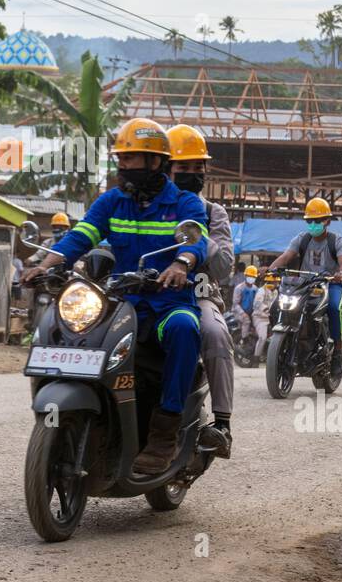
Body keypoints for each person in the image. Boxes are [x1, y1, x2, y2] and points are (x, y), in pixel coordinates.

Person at [23, 117, 208, 476]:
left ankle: (164, 431)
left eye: (131, 159)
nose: (123, 166)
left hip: (167, 302)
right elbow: (81, 237)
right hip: (120, 302)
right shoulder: (111, 202)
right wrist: (46, 264)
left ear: (156, 162)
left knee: (185, 330)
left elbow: (196, 239)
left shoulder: (184, 203)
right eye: (120, 159)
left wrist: (182, 264)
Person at [166, 124, 235, 458]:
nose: (192, 174)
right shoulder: (155, 207)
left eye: (198, 168)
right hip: (151, 293)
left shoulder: (212, 213)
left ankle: (222, 423)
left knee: (214, 333)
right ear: (167, 168)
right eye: (183, 168)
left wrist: (199, 243)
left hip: (199, 294)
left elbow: (224, 268)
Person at [267, 197, 342, 379]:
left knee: (333, 307)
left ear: (327, 221)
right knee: (277, 304)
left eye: (317, 221)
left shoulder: (338, 241)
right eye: (309, 221)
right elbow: (285, 257)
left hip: (331, 284)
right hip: (304, 285)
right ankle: (278, 343)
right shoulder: (301, 239)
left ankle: (337, 351)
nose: (313, 224)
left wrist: (341, 273)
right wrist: (270, 270)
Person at [232, 265, 258, 344]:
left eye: (252, 277)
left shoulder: (255, 289)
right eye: (249, 276)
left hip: (250, 312)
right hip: (239, 312)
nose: (251, 278)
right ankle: (244, 340)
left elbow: (256, 302)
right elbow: (235, 304)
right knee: (246, 321)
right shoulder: (239, 288)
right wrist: (243, 313)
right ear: (245, 276)